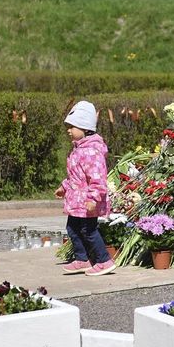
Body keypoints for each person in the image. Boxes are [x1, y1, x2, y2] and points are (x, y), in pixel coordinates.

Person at [56, 101, 116, 276]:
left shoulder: (91, 152)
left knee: (88, 230)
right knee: (72, 228)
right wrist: (64, 187)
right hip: (77, 201)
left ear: (85, 128)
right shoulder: (78, 150)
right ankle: (82, 259)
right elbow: (75, 177)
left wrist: (93, 198)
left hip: (88, 201)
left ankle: (104, 260)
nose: (69, 130)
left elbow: (98, 179)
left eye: (72, 126)